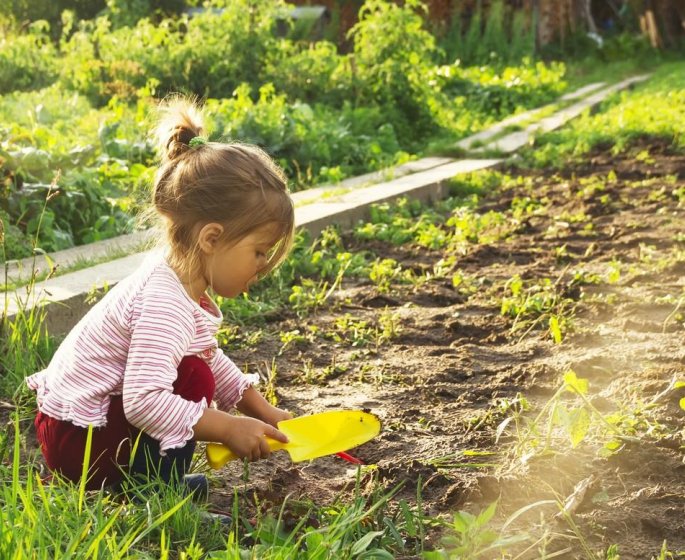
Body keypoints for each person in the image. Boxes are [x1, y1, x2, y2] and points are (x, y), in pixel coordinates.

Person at [26, 97, 295, 494]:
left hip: (81, 432)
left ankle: (144, 479)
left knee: (194, 368)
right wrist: (226, 427)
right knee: (192, 378)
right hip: (80, 443)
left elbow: (206, 351)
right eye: (259, 252)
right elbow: (142, 401)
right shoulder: (164, 302)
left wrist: (261, 411)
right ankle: (151, 492)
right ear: (212, 238)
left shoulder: (179, 280)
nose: (263, 266)